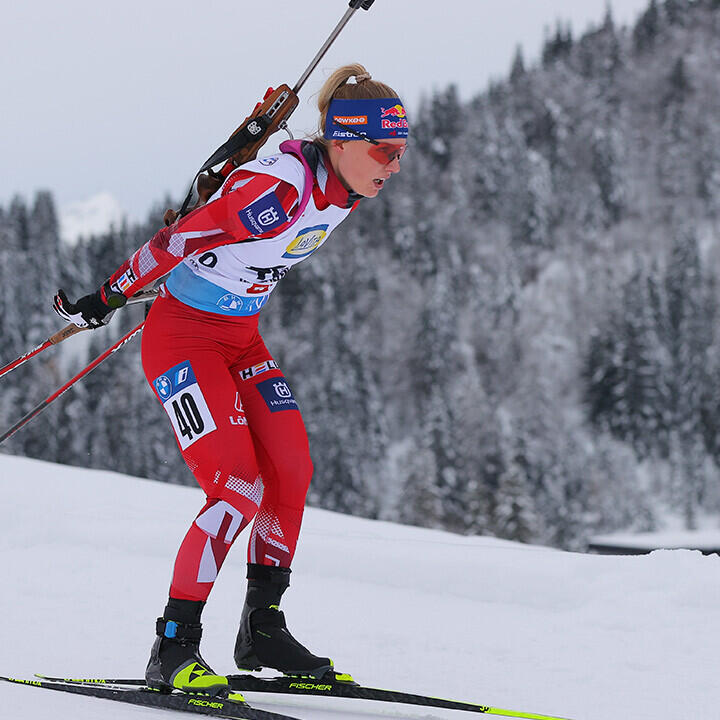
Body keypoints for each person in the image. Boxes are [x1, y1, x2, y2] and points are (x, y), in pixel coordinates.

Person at [53, 63, 409, 696]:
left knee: (291, 468)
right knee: (237, 487)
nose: (395, 165)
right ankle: (173, 645)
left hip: (240, 338)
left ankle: (262, 628)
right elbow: (178, 239)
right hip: (181, 340)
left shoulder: (347, 189)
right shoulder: (279, 193)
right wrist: (107, 296)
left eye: (401, 152)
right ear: (345, 141)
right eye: (385, 150)